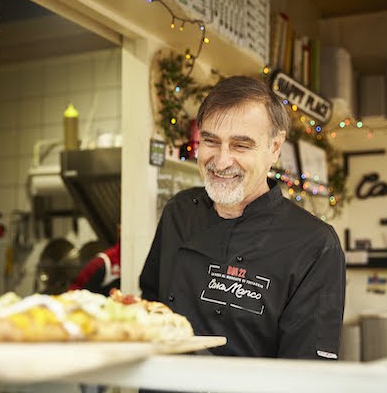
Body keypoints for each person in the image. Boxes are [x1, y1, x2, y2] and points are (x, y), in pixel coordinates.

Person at [139, 75, 346, 360]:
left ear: (275, 147)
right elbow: (149, 311)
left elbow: (307, 373)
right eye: (211, 141)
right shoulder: (180, 211)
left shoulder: (315, 244)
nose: (221, 161)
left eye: (241, 145)